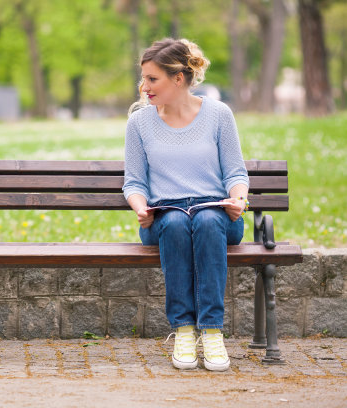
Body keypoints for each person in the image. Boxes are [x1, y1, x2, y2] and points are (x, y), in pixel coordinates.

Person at [123, 38, 249, 371]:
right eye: (144, 78)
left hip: (217, 215)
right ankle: (182, 329)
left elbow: (235, 172)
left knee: (206, 221)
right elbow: (134, 182)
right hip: (164, 218)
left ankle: (211, 331)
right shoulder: (139, 122)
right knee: (179, 224)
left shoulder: (219, 114)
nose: (144, 86)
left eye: (153, 79)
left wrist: (238, 200)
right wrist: (139, 208)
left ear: (178, 78)